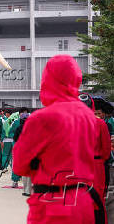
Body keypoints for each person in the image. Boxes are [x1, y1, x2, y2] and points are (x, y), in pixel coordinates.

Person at [13, 55, 104, 224]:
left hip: (53, 204)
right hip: (84, 200)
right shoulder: (88, 116)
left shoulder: (42, 118)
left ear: (48, 78)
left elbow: (19, 164)